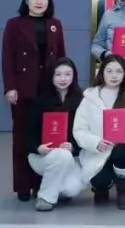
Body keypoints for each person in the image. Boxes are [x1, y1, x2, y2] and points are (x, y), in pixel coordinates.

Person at [2, 0, 67, 202]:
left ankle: (42, 184)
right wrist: (10, 87)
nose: (39, 2)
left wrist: (62, 85)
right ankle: (23, 185)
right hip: (23, 89)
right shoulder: (14, 24)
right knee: (22, 136)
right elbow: (7, 58)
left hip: (48, 89)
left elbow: (62, 57)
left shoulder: (55, 25)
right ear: (26, 1)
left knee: (47, 137)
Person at [73, 54, 125, 210]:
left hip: (122, 152)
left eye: (118, 71)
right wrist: (96, 143)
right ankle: (103, 187)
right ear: (101, 73)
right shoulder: (89, 99)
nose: (114, 76)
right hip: (98, 153)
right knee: (99, 180)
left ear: (124, 74)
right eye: (109, 71)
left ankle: (124, 189)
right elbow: (79, 129)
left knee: (122, 150)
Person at [25, 57, 84, 212]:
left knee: (72, 189)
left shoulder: (81, 99)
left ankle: (49, 185)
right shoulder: (40, 99)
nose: (63, 79)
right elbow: (27, 133)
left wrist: (73, 146)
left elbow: (86, 132)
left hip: (71, 156)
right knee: (62, 156)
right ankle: (45, 197)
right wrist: (38, 148)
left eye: (67, 74)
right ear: (51, 76)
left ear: (74, 75)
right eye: (58, 74)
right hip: (41, 156)